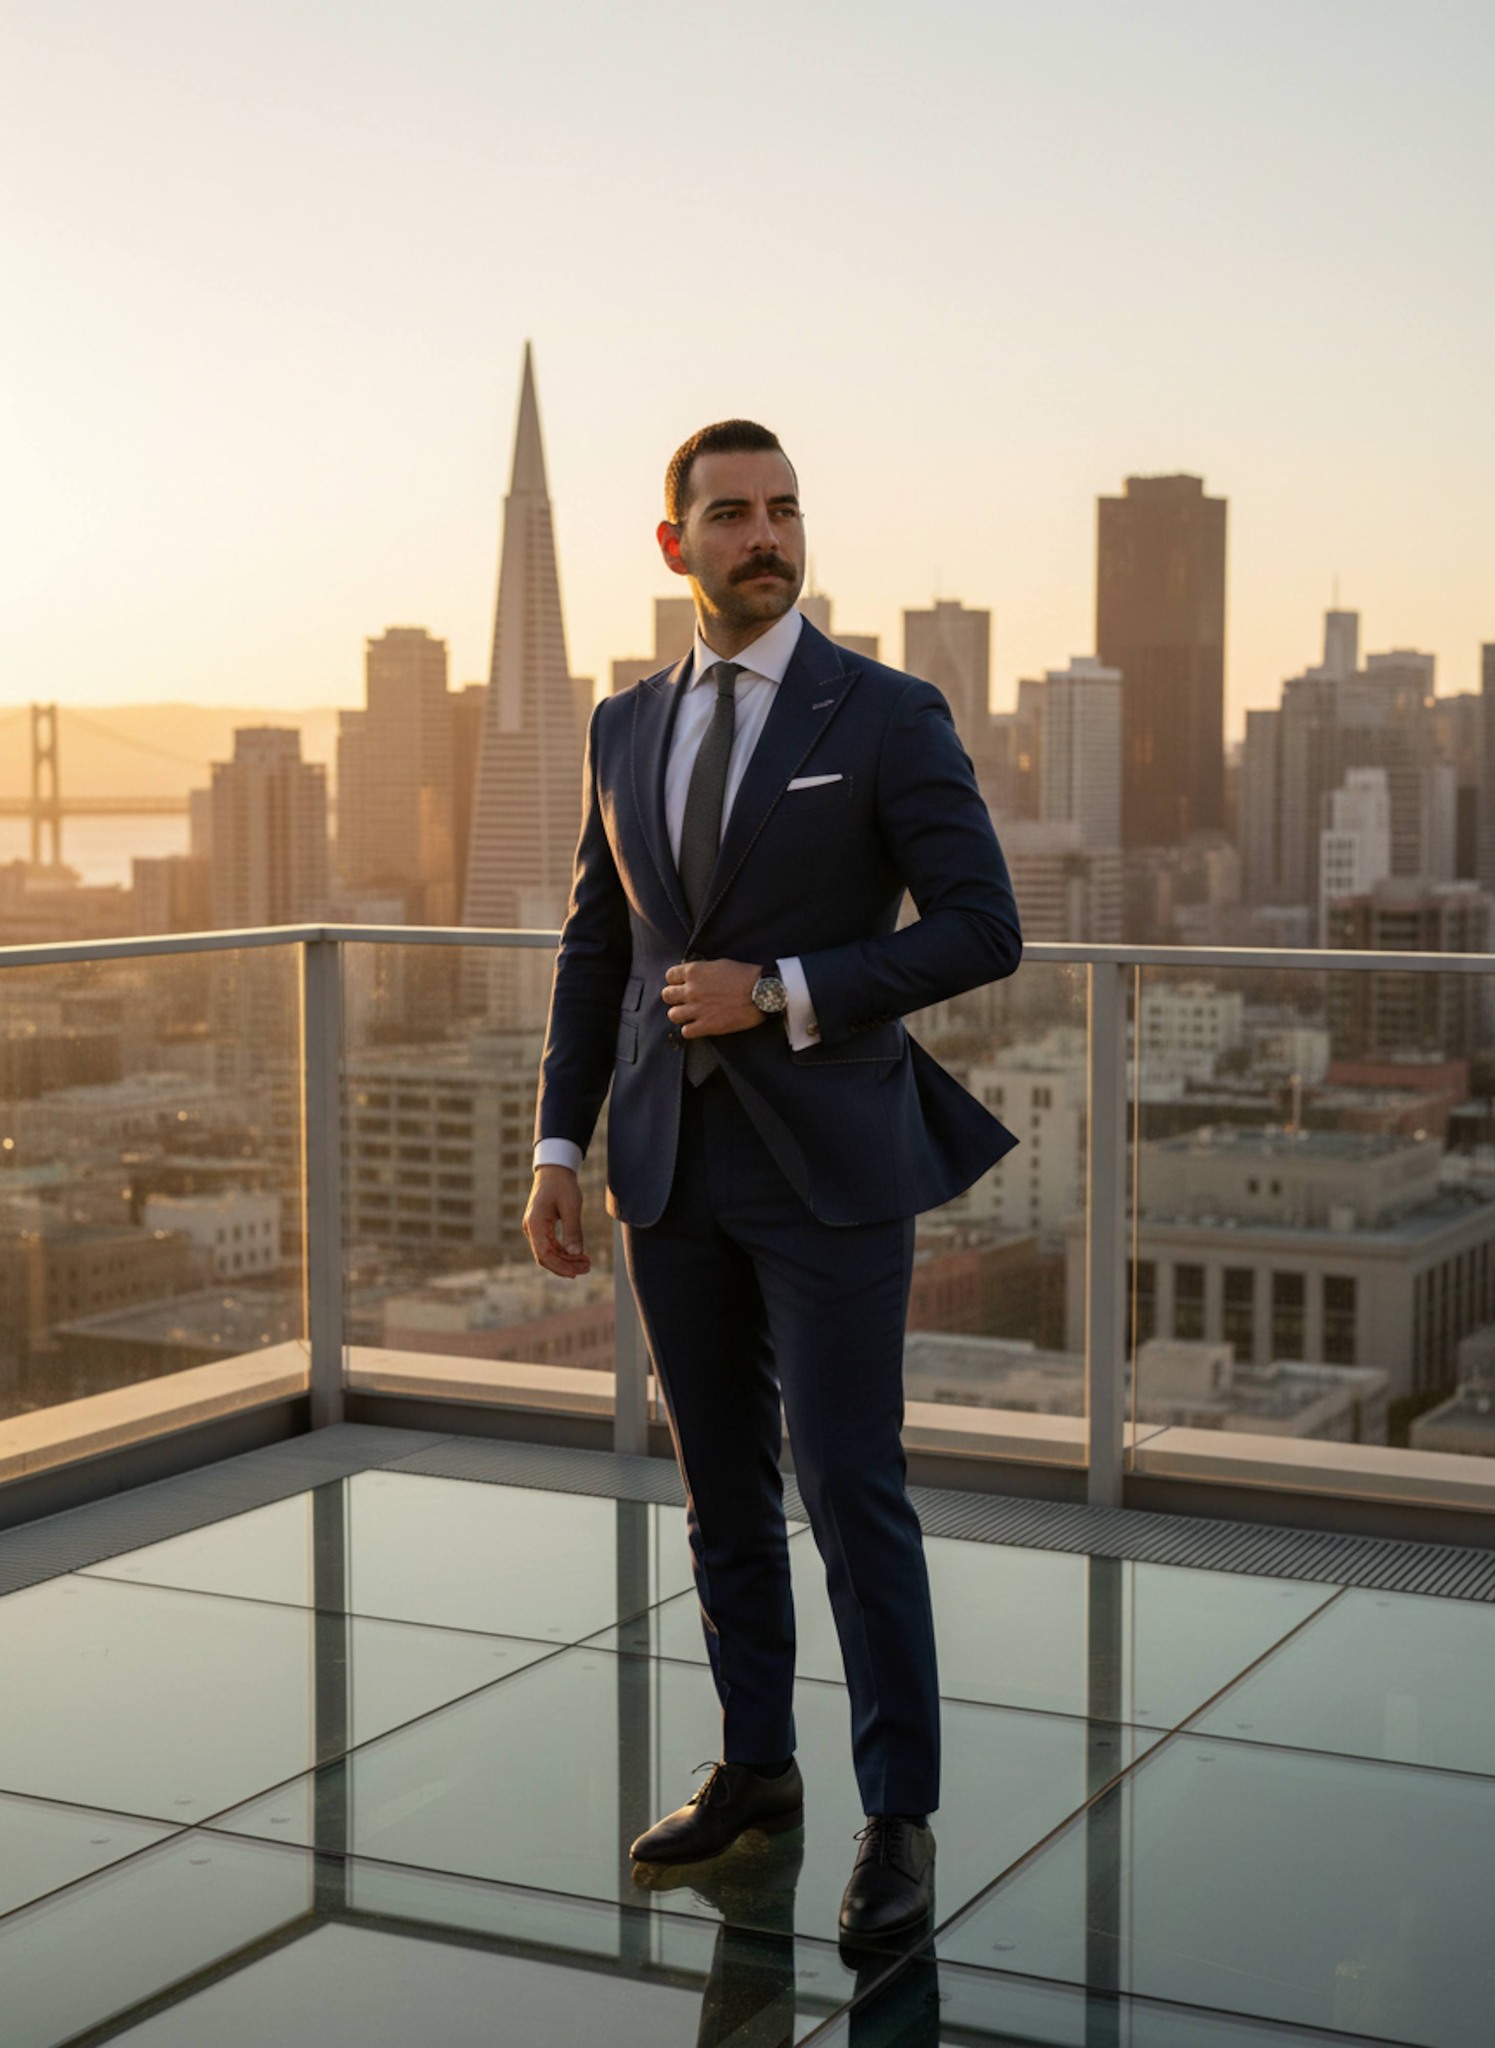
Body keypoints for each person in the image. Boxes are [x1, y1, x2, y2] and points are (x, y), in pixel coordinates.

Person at [524, 419, 1021, 1940]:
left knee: (852, 1488)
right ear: (674, 546)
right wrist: (559, 1143)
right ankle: (757, 1768)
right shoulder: (622, 727)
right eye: (731, 514)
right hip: (669, 1167)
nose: (766, 536)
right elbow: (599, 950)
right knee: (718, 1491)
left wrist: (788, 987)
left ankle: (901, 1822)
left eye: (785, 509)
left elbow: (980, 927)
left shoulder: (883, 712)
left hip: (832, 1164)